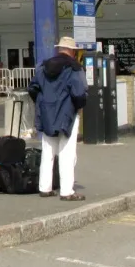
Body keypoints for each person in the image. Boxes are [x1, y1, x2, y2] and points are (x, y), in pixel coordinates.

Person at [28, 36, 88, 201]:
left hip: (47, 113)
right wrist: (79, 105)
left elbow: (32, 87)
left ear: (59, 49)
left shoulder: (43, 66)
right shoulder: (74, 68)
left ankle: (45, 188)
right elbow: (79, 92)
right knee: (66, 151)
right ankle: (66, 191)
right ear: (72, 51)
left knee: (48, 150)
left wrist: (42, 103)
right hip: (67, 113)